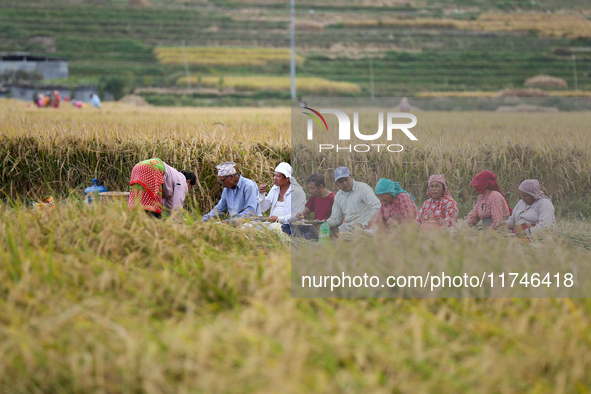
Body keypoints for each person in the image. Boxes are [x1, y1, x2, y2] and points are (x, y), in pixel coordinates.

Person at [128, 158, 196, 219]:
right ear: (188, 181)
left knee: (137, 201)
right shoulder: (182, 181)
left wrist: (173, 217)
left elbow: (169, 205)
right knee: (153, 208)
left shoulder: (174, 177)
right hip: (153, 168)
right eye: (191, 188)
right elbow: (177, 204)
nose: (188, 190)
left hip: (137, 167)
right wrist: (180, 222)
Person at [326, 167, 381, 231]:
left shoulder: (362, 188)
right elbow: (335, 219)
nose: (344, 183)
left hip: (364, 230)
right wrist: (323, 223)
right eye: (341, 182)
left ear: (351, 177)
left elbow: (377, 206)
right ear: (336, 183)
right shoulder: (338, 196)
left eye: (346, 180)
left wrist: (365, 224)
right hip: (348, 230)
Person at [257, 162, 306, 235]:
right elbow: (263, 208)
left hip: (290, 226)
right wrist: (261, 194)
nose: (275, 178)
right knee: (248, 226)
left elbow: (298, 215)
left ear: (287, 178)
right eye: (274, 175)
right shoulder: (275, 188)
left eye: (278, 176)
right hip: (274, 224)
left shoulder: (297, 192)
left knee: (273, 227)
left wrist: (279, 219)